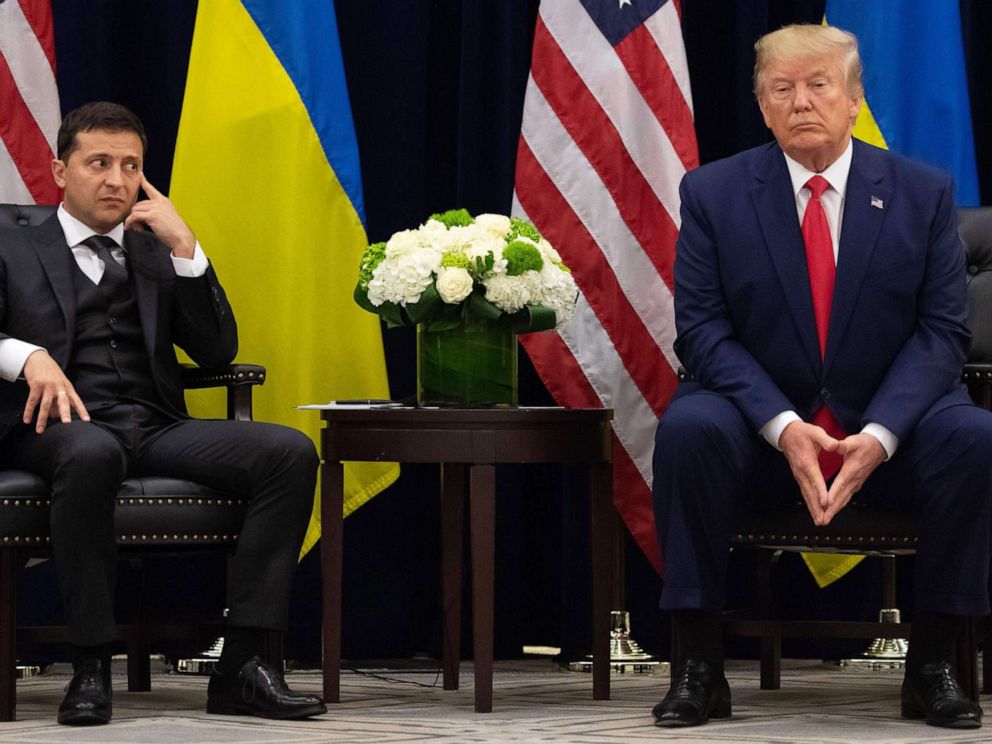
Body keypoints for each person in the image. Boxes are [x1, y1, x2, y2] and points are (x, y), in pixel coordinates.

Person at [652, 24, 991, 730]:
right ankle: (697, 665)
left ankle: (934, 665)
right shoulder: (713, 193)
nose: (801, 101)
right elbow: (703, 332)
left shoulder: (921, 193)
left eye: (818, 85)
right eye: (783, 88)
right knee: (687, 428)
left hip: (887, 435)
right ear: (762, 103)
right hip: (761, 435)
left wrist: (880, 433)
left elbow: (942, 334)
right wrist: (782, 426)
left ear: (853, 98)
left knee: (973, 437)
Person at [0, 102, 326, 725]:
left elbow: (214, 351)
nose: (117, 180)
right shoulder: (13, 244)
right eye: (99, 163)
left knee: (288, 452)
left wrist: (187, 248)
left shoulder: (153, 252)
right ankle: (91, 665)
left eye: (131, 166)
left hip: (153, 424)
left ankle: (244, 665)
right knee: (91, 451)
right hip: (52, 426)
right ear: (60, 171)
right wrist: (27, 356)